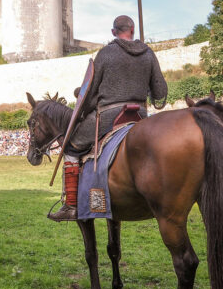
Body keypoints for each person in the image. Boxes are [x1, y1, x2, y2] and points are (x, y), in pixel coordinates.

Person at [49, 15, 168, 222]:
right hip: (140, 117)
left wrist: (82, 101)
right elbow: (160, 93)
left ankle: (71, 205)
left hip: (109, 117)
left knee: (70, 146)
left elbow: (90, 94)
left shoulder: (105, 53)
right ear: (133, 30)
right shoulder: (149, 54)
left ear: (114, 32)